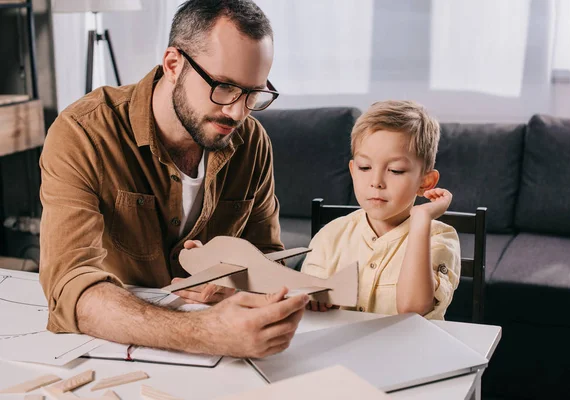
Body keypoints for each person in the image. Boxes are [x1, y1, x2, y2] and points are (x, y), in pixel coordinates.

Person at [38, 0, 308, 358]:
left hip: (226, 358)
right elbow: (70, 286)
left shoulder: (252, 141)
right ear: (173, 64)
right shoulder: (83, 134)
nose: (237, 111)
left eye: (253, 93)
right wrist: (205, 333)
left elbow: (269, 260)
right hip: (110, 346)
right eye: (224, 87)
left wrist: (233, 286)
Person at [301, 100, 460, 319]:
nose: (376, 182)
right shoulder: (331, 236)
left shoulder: (440, 237)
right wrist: (313, 300)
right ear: (353, 171)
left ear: (425, 182)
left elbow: (413, 309)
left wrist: (421, 218)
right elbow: (307, 304)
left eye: (395, 170)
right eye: (364, 167)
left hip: (409, 352)